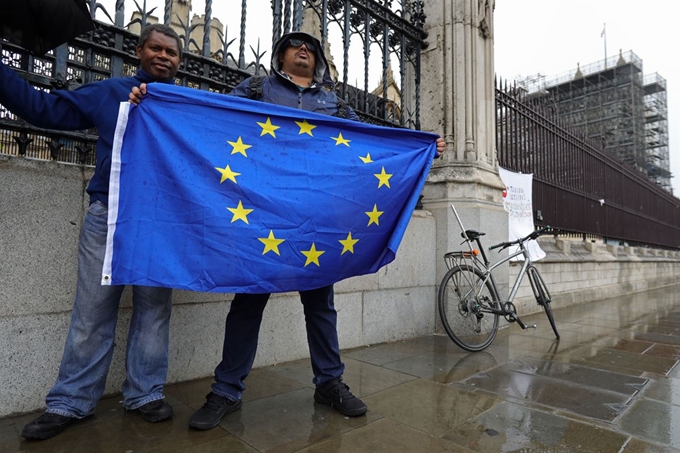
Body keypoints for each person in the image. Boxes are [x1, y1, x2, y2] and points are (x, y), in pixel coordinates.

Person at [129, 30, 446, 431]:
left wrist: (419, 145)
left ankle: (329, 384)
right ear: (281, 54)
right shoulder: (257, 87)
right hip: (262, 214)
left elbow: (371, 141)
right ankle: (226, 390)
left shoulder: (332, 101)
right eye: (296, 45)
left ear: (318, 60)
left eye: (311, 47)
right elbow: (212, 115)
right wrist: (154, 101)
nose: (304, 50)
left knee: (320, 306)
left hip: (316, 220)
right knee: (248, 303)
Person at [0, 24, 183, 440]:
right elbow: (44, 110)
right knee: (92, 311)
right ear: (139, 51)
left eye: (172, 53)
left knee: (154, 311)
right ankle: (71, 402)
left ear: (179, 63)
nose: (164, 56)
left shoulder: (185, 105)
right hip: (110, 215)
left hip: (162, 222)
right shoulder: (113, 91)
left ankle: (146, 394)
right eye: (156, 48)